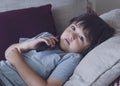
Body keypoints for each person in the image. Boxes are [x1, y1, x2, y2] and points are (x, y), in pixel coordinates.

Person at [0, 13, 115, 86]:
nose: (71, 36)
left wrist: (17, 61)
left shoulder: (71, 58)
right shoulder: (46, 37)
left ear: (88, 48)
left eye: (81, 38)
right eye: (73, 28)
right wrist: (29, 44)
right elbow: (9, 52)